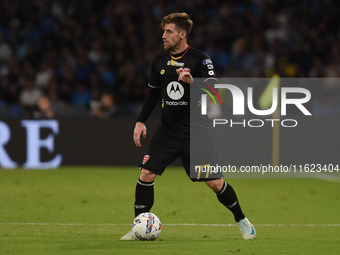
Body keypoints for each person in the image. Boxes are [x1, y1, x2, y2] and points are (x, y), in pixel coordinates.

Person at [120, 12, 256, 240]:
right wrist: (140, 121)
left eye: (169, 32)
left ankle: (241, 219)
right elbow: (153, 95)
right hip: (167, 131)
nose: (163, 35)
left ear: (182, 35)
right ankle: (138, 228)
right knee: (146, 173)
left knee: (214, 183)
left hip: (196, 134)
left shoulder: (201, 59)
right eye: (163, 31)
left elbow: (214, 91)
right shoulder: (159, 61)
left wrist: (192, 82)